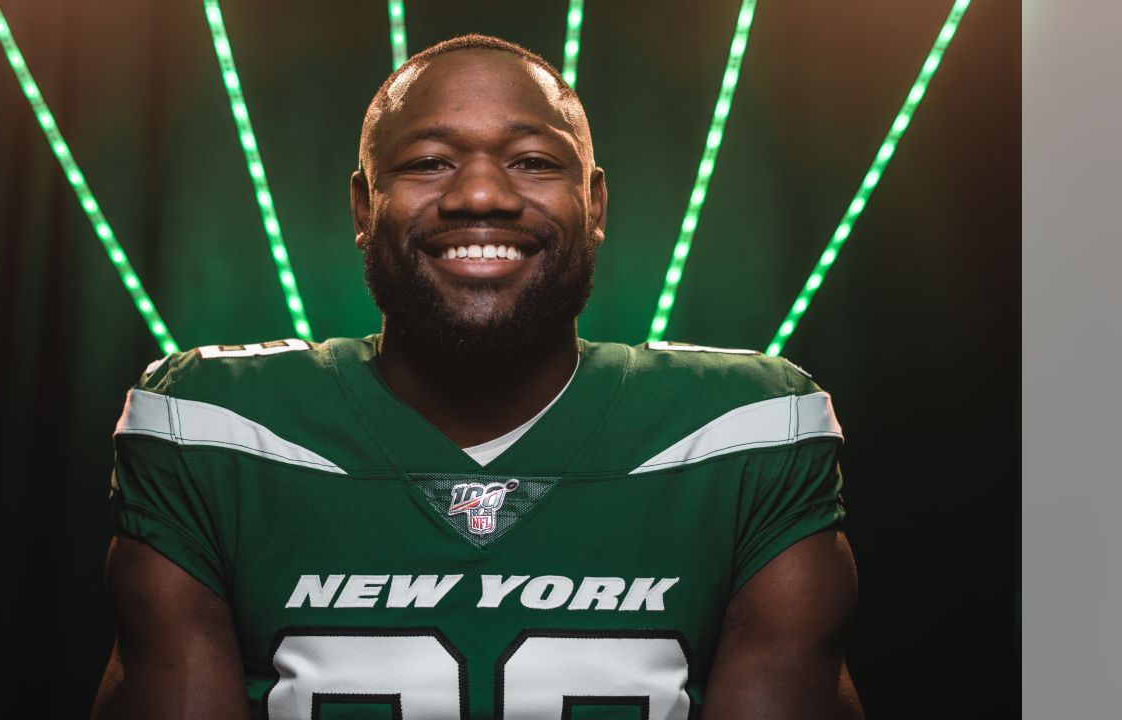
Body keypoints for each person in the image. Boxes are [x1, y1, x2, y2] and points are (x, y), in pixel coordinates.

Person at [91, 34, 863, 720]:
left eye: (532, 161)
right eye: (429, 162)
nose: (482, 196)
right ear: (364, 206)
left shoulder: (747, 435)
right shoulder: (211, 429)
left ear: (594, 202)